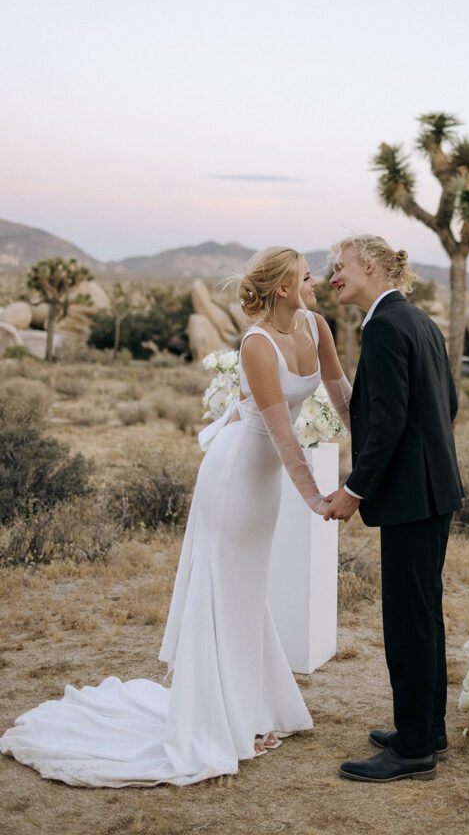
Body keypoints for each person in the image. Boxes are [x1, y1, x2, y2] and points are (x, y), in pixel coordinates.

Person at [0, 247, 352, 786]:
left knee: (246, 591)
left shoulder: (318, 327)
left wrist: (375, 451)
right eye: (306, 278)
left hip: (265, 486)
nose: (316, 283)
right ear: (283, 287)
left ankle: (250, 711)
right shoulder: (256, 345)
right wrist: (315, 499)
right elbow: (282, 435)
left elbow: (341, 396)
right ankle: (228, 719)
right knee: (223, 591)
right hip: (236, 477)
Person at [324, 234, 464, 783]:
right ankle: (428, 729)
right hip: (434, 492)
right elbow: (446, 403)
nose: (333, 276)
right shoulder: (422, 322)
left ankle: (412, 750)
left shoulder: (383, 326)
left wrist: (354, 491)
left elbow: (384, 423)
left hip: (410, 497)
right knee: (423, 612)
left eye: (341, 267)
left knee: (407, 620)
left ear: (373, 267)